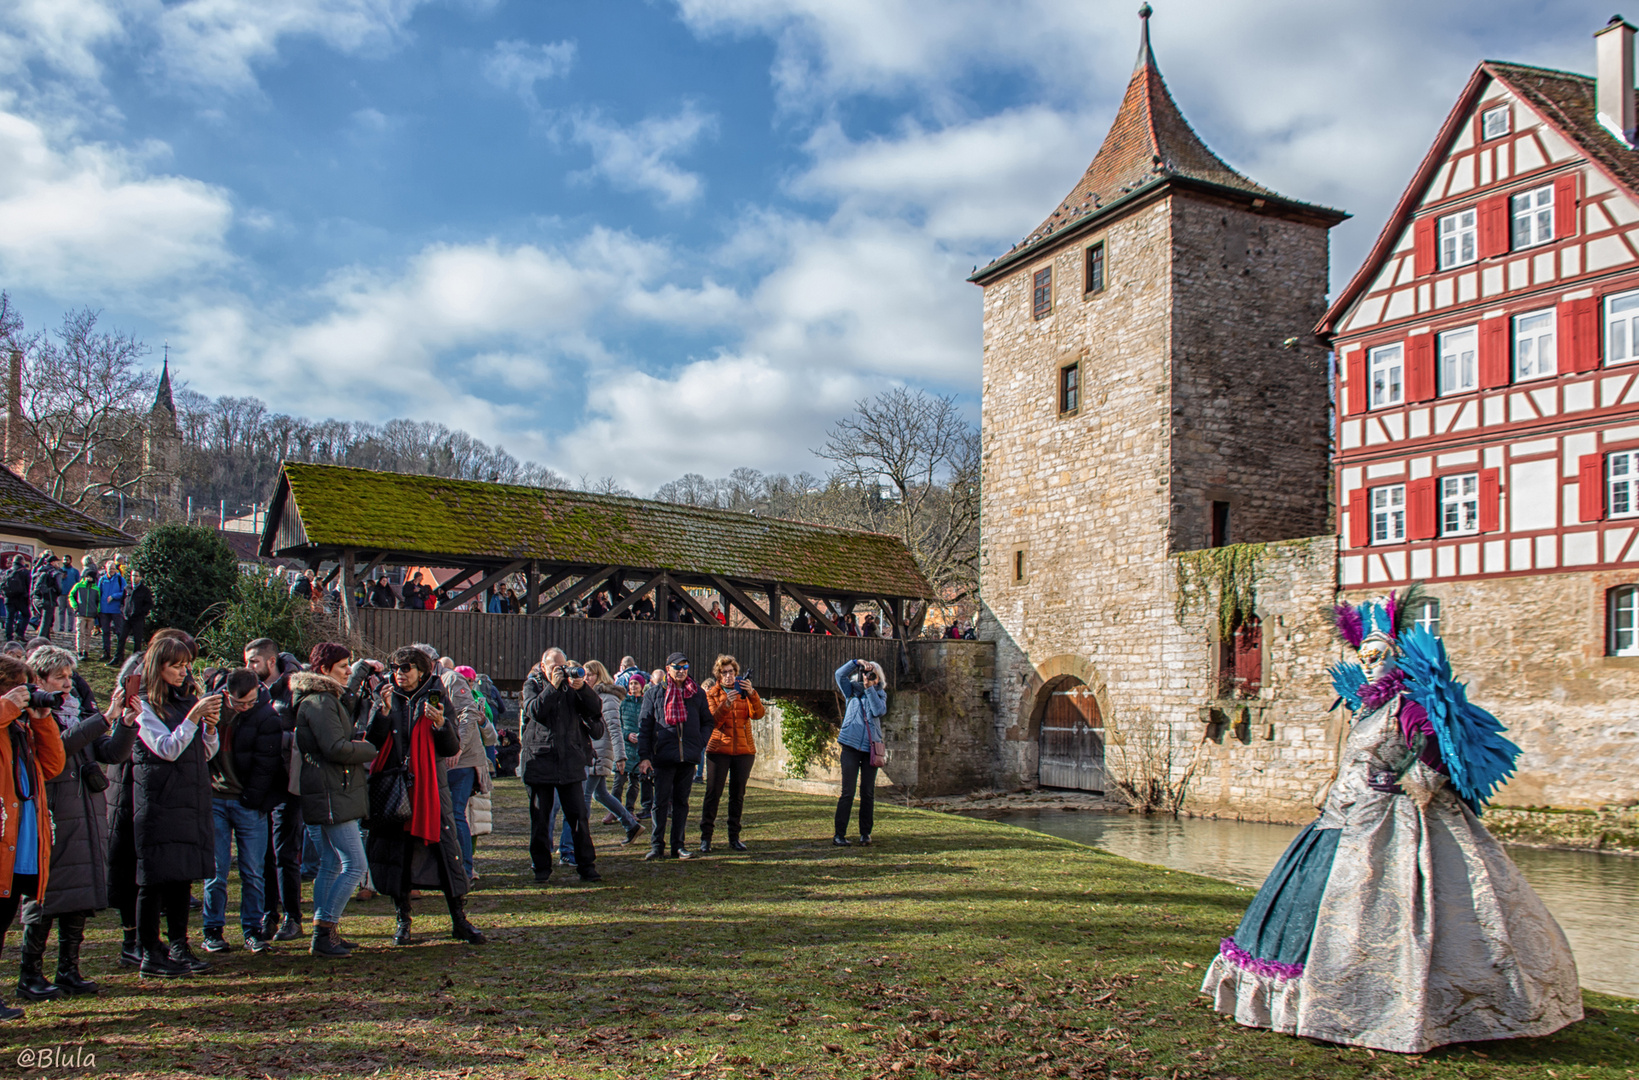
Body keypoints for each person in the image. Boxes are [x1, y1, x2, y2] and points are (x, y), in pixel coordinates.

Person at [1200, 591, 1582, 1053]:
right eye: (1363, 656)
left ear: (1397, 656)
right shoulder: (1366, 707)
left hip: (1391, 824)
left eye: (1377, 656)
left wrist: (1411, 783)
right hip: (1340, 820)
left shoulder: (1410, 705)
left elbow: (1441, 753)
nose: (1367, 664)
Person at [15, 646, 120, 1002]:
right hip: (53, 813)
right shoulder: (32, 713)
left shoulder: (76, 710)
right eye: (58, 677)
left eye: (68, 677)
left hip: (85, 809)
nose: (66, 684)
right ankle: (30, 972)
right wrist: (103, 719)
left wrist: (126, 725)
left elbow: (110, 753)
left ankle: (68, 969)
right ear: (39, 678)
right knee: (45, 895)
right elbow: (54, 755)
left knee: (80, 894)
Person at [365, 646, 484, 944]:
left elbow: (450, 747)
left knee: (445, 854)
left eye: (406, 668)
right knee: (398, 856)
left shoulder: (437, 696)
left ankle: (459, 920)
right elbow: (372, 741)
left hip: (431, 787)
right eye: (395, 668)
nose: (399, 674)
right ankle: (402, 921)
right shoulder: (387, 696)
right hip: (395, 787)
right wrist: (383, 713)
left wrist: (441, 724)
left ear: (421, 671)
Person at [132, 635, 221, 978]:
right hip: (159, 802)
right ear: (159, 667)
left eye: (187, 665)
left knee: (183, 876)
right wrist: (194, 719)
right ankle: (150, 951)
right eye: (176, 666)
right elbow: (166, 748)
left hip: (190, 799)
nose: (184, 672)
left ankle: (180, 945)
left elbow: (202, 754)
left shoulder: (186, 701)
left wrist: (209, 731)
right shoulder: (143, 706)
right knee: (154, 880)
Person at [292, 643, 379, 957]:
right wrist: (369, 748)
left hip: (330, 789)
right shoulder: (320, 702)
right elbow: (335, 748)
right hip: (331, 792)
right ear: (325, 670)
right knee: (355, 865)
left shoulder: (323, 698)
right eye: (343, 665)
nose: (347, 670)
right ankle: (324, 929)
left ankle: (327, 932)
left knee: (330, 865)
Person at [200, 668, 285, 955]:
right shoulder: (209, 709)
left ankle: (253, 929)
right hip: (214, 797)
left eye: (250, 701)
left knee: (252, 870)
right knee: (216, 869)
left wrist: (253, 798)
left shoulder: (266, 715)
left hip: (248, 802)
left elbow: (267, 764)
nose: (245, 707)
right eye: (240, 703)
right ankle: (212, 929)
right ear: (226, 694)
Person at [0, 654, 65, 1019]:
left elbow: (52, 766)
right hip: (4, 838)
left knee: (3, 919)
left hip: (19, 842)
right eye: (21, 690)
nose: (28, 696)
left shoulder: (18, 728)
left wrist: (41, 722)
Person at [519, 648, 604, 883]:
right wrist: (553, 687)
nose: (560, 671)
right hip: (540, 761)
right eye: (555, 667)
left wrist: (582, 688)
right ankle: (541, 868)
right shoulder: (532, 685)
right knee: (541, 818)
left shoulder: (573, 686)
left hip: (570, 761)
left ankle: (586, 865)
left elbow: (596, 710)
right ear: (543, 667)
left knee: (578, 817)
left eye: (563, 666)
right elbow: (535, 710)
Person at [244, 639, 306, 942]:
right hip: (258, 781)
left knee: (285, 851)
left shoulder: (292, 690)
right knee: (264, 853)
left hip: (286, 780)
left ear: (271, 662)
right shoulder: (251, 693)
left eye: (254, 661)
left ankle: (293, 916)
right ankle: (270, 913)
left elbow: (301, 733)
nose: (249, 668)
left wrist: (271, 739)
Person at [637, 653, 714, 861]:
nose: (681, 671)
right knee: (660, 802)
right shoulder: (654, 694)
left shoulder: (696, 693)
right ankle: (656, 845)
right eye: (677, 667)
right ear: (668, 668)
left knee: (681, 802)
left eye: (685, 666)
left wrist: (700, 742)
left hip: (688, 755)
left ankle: (678, 845)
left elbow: (708, 721)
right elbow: (645, 726)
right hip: (663, 755)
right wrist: (645, 756)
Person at [700, 656, 762, 854]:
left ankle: (734, 837)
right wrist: (726, 703)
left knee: (737, 795)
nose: (728, 676)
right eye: (724, 672)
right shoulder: (712, 694)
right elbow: (713, 721)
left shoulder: (745, 692)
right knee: (713, 794)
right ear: (718, 675)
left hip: (743, 750)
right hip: (718, 749)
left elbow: (758, 714)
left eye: (731, 672)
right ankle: (706, 838)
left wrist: (752, 694)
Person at [576, 661, 641, 845]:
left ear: (599, 675)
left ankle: (580, 838)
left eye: (590, 675)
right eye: (584, 674)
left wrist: (620, 756)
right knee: (601, 794)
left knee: (586, 795)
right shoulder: (589, 695)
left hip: (599, 752)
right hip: (593, 750)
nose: (586, 678)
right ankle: (631, 824)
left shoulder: (606, 697)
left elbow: (614, 727)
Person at [440, 665, 489, 883]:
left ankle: (466, 867)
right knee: (458, 814)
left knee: (460, 814)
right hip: (454, 758)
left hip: (465, 760)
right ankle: (457, 866)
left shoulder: (462, 690)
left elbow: (489, 733)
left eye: (471, 681)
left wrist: (458, 745)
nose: (469, 684)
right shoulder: (437, 684)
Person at [832, 659, 886, 847]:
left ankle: (865, 833)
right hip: (851, 746)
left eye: (873, 675)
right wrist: (855, 663)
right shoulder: (852, 691)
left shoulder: (880, 694)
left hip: (870, 748)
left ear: (879, 679)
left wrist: (870, 688)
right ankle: (839, 834)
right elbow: (839, 675)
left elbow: (878, 711)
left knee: (868, 792)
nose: (869, 677)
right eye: (866, 674)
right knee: (848, 792)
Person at [612, 670, 648, 817]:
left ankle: (629, 810)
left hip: (638, 747)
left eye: (636, 684)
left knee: (634, 782)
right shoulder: (622, 702)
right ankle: (614, 810)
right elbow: (617, 723)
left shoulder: (645, 703)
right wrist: (627, 735)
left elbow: (648, 722)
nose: (633, 686)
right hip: (625, 746)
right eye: (631, 683)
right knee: (619, 780)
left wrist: (641, 735)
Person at [116, 570, 153, 665]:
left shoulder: (144, 590)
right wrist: (123, 610)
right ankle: (118, 657)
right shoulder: (127, 588)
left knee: (137, 640)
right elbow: (122, 602)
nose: (133, 578)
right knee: (121, 638)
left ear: (140, 577)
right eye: (132, 575)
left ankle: (135, 660)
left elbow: (149, 604)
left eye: (136, 576)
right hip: (126, 618)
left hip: (138, 619)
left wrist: (141, 613)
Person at [98, 561, 126, 665]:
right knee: (105, 632)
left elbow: (124, 591)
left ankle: (120, 653)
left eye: (113, 569)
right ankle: (106, 652)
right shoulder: (102, 580)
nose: (112, 571)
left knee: (119, 632)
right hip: (104, 610)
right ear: (106, 569)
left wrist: (114, 596)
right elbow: (99, 593)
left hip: (116, 609)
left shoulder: (120, 579)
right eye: (110, 569)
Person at [68, 569, 99, 660]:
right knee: (80, 633)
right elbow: (71, 596)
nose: (89, 579)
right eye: (88, 577)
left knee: (88, 634)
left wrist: (97, 611)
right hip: (81, 613)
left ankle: (86, 650)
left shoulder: (96, 589)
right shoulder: (78, 586)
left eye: (91, 577)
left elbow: (98, 601)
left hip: (91, 614)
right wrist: (75, 606)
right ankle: (79, 651)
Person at [2, 556, 29, 642]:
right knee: (26, 615)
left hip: (9, 598)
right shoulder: (24, 571)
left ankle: (9, 637)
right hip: (21, 598)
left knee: (9, 618)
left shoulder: (7, 572)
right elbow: (29, 585)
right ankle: (20, 634)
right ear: (22, 561)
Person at [54, 559, 77, 640]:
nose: (65, 561)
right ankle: (61, 627)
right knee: (61, 611)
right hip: (61, 594)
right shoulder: (59, 571)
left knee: (71, 612)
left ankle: (70, 628)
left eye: (67, 560)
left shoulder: (74, 571)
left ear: (70, 561)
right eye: (64, 560)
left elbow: (78, 582)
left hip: (71, 595)